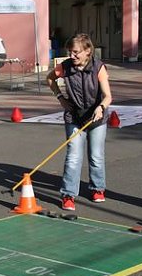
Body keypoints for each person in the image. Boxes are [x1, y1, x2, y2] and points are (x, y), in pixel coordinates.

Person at [46, 33, 112, 211]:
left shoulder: (98, 67)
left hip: (96, 117)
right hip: (74, 116)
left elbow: (108, 96)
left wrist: (101, 107)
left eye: (76, 52)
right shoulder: (65, 67)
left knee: (96, 156)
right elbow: (50, 79)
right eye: (70, 52)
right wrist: (60, 98)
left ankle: (97, 189)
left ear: (87, 51)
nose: (72, 56)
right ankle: (68, 194)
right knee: (74, 156)